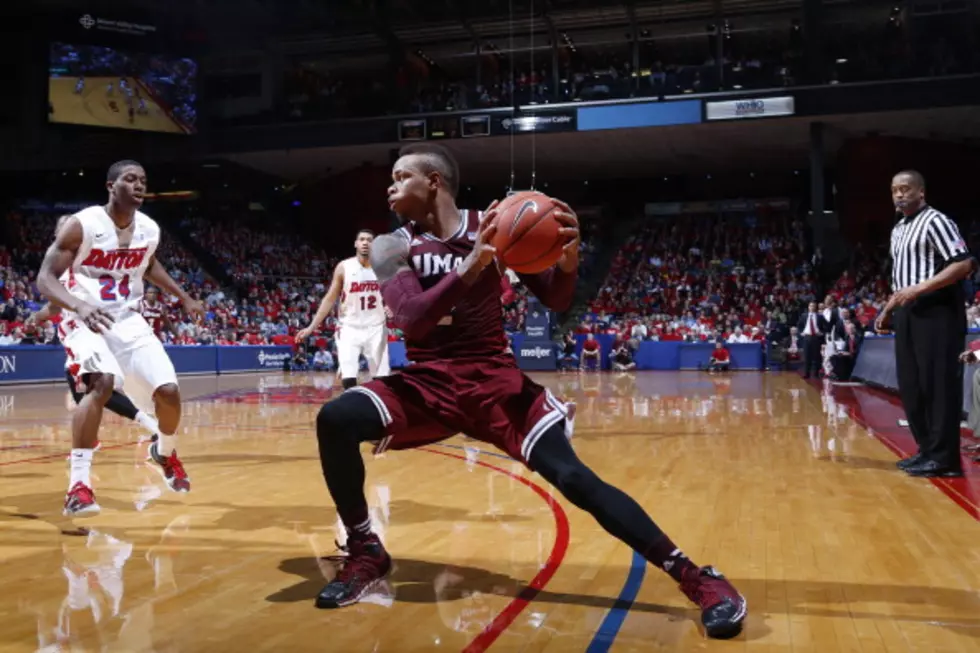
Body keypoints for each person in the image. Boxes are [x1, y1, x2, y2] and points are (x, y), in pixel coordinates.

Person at [312, 143, 746, 639]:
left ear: (433, 180)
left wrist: (566, 261)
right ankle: (367, 550)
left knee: (576, 480)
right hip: (428, 382)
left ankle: (698, 579)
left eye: (400, 175)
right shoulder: (393, 245)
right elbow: (412, 319)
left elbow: (558, 300)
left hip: (495, 383)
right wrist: (470, 268)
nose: (390, 186)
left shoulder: (499, 226)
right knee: (336, 419)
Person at [36, 160, 202, 516]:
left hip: (128, 318)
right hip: (85, 319)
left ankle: (164, 452)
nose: (139, 185)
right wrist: (78, 306)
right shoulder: (84, 224)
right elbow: (45, 278)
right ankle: (78, 487)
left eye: (143, 180)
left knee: (170, 393)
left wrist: (184, 296)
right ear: (111, 185)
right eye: (130, 179)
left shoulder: (149, 228)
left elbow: (150, 263)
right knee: (103, 383)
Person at [876, 170, 974, 477]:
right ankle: (927, 450)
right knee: (912, 384)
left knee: (937, 384)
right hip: (908, 312)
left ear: (921, 192)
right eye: (895, 190)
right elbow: (902, 280)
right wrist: (888, 310)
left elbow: (964, 263)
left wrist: (919, 290)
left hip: (937, 310)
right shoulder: (898, 229)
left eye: (906, 189)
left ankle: (945, 459)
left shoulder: (936, 221)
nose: (899, 195)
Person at [29, 301, 161, 447]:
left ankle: (89, 444)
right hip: (78, 346)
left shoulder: (88, 290)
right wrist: (37, 316)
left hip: (92, 346)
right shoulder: (64, 294)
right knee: (87, 398)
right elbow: (53, 305)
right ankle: (94, 438)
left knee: (94, 395)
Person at [297, 230, 389, 389]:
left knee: (382, 379)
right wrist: (311, 327)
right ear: (356, 243)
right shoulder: (344, 267)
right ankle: (353, 411)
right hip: (349, 327)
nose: (365, 243)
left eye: (369, 240)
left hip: (376, 327)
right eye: (361, 239)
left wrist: (391, 306)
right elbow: (329, 298)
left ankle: (379, 410)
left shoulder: (383, 267)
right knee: (349, 376)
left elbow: (394, 292)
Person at [798, 301, 827, 379]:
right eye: (810, 306)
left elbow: (826, 326)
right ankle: (806, 373)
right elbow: (799, 325)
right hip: (807, 337)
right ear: (808, 307)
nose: (812, 307)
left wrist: (822, 333)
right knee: (807, 356)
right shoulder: (804, 316)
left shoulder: (820, 316)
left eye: (813, 306)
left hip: (816, 337)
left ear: (815, 307)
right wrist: (801, 333)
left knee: (817, 356)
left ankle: (816, 374)